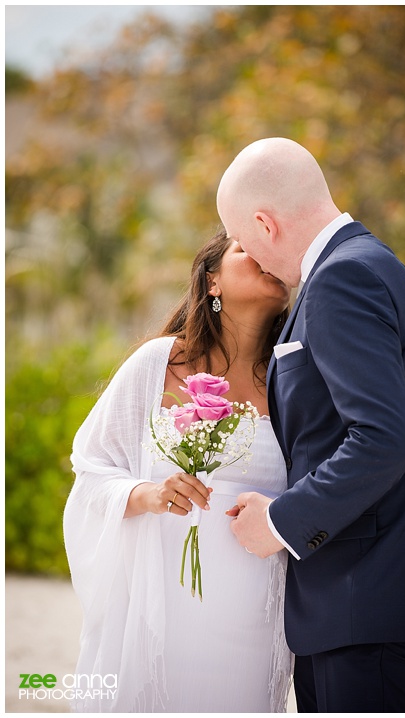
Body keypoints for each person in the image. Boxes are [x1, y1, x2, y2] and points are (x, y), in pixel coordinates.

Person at [216, 137, 405, 712]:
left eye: (242, 239)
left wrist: (282, 521)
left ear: (264, 222)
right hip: (365, 599)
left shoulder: (343, 279)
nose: (249, 255)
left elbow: (383, 439)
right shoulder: (365, 264)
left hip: (367, 599)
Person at [64, 229, 295, 711]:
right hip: (160, 610)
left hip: (254, 619)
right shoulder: (158, 363)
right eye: (244, 246)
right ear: (213, 281)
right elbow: (90, 469)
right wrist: (148, 494)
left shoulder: (292, 380)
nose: (265, 255)